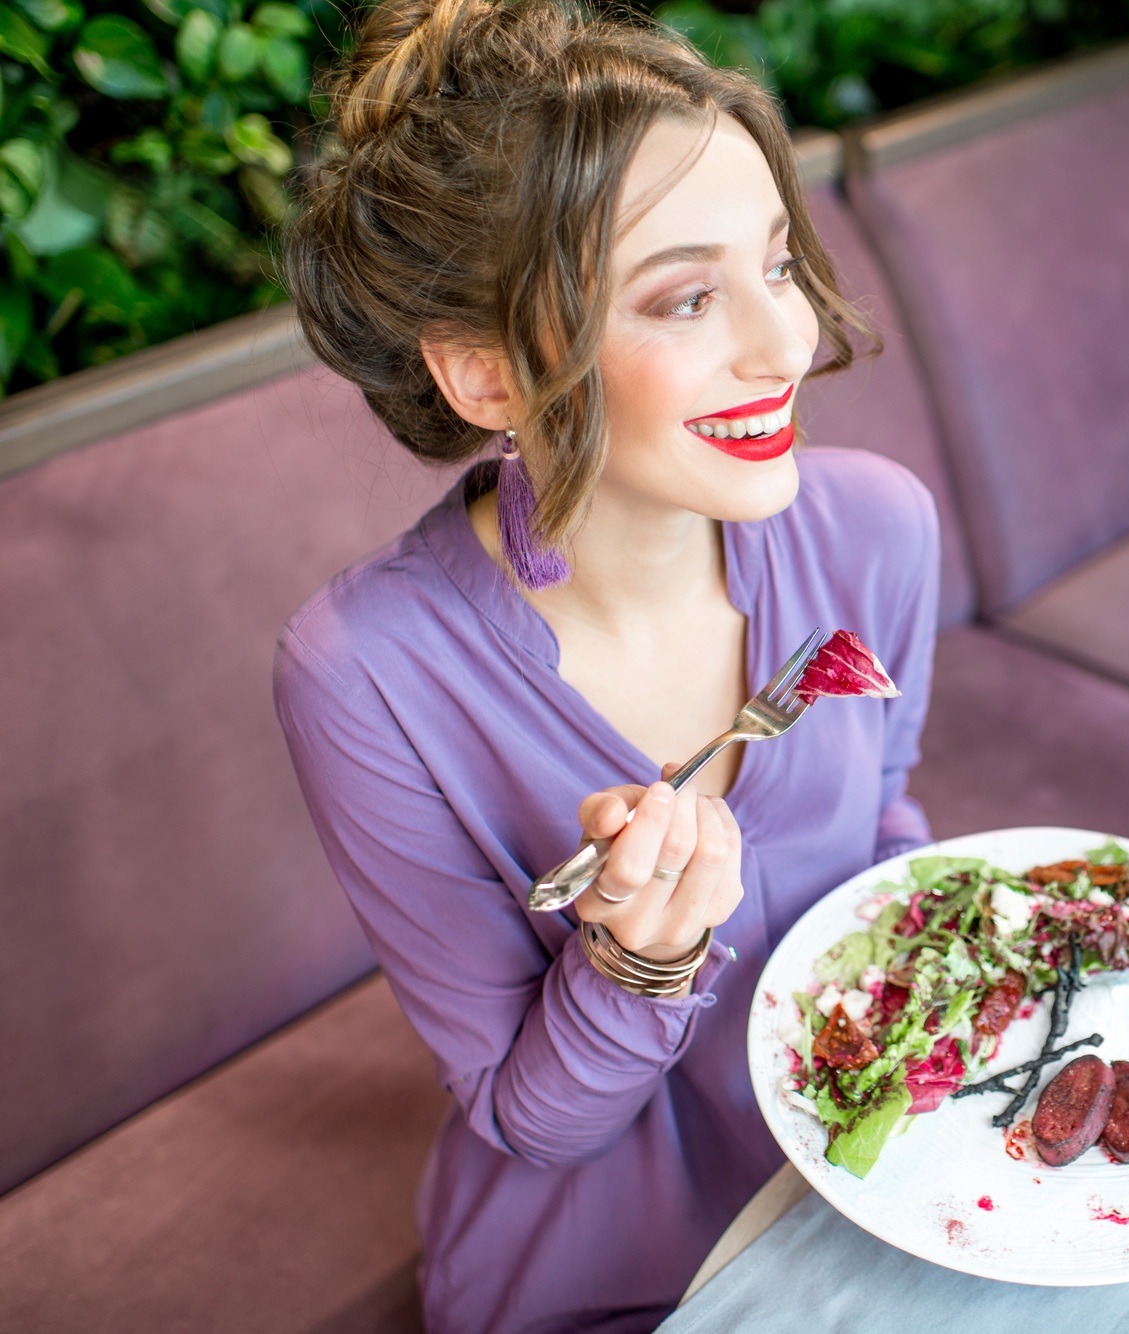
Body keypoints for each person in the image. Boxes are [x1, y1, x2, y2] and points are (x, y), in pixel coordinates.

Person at [273, 1, 939, 1328]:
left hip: (878, 1190)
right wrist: (640, 959)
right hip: (604, 1277)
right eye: (687, 298)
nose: (786, 343)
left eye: (777, 264)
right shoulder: (365, 674)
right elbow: (536, 1125)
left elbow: (881, 831)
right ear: (485, 374)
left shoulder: (877, 527)